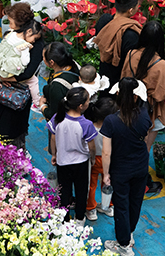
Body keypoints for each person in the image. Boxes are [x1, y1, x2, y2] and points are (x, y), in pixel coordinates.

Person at [102, 77, 153, 256]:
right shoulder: (144, 114)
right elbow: (145, 137)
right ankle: (129, 233)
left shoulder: (111, 121)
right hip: (140, 165)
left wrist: (105, 174)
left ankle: (123, 245)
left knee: (121, 205)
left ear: (118, 93)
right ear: (136, 96)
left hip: (120, 169)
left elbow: (106, 152)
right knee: (136, 201)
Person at [120, 20, 165, 195]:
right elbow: (164, 95)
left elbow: (124, 78)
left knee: (129, 145)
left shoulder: (130, 54)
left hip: (129, 106)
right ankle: (142, 184)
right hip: (151, 112)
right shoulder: (162, 65)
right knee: (144, 149)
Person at [0, 19, 43, 151]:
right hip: (5, 89)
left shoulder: (34, 45)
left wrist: (1, 77)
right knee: (3, 120)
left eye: (11, 21)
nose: (10, 26)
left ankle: (17, 153)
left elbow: (27, 74)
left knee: (14, 126)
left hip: (18, 94)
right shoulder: (13, 36)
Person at [48, 87, 97, 225]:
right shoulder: (86, 124)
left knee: (64, 191)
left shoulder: (58, 117)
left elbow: (53, 138)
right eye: (88, 100)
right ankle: (80, 218)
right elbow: (92, 146)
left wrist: (54, 154)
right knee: (81, 191)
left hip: (62, 161)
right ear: (81, 106)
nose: (89, 102)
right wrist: (93, 158)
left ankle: (64, 218)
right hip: (81, 163)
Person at [94, 0, 142, 86]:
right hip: (120, 80)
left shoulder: (104, 21)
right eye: (137, 6)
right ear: (131, 10)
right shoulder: (131, 34)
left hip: (104, 74)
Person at [84, 94, 119, 221]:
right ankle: (108, 206)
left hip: (94, 159)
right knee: (107, 183)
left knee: (91, 185)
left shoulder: (90, 127)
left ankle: (91, 209)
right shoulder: (113, 129)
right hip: (108, 160)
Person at [40, 42, 80, 123]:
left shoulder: (57, 86)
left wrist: (42, 106)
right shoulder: (73, 65)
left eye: (43, 57)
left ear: (51, 62)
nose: (43, 59)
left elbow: (54, 116)